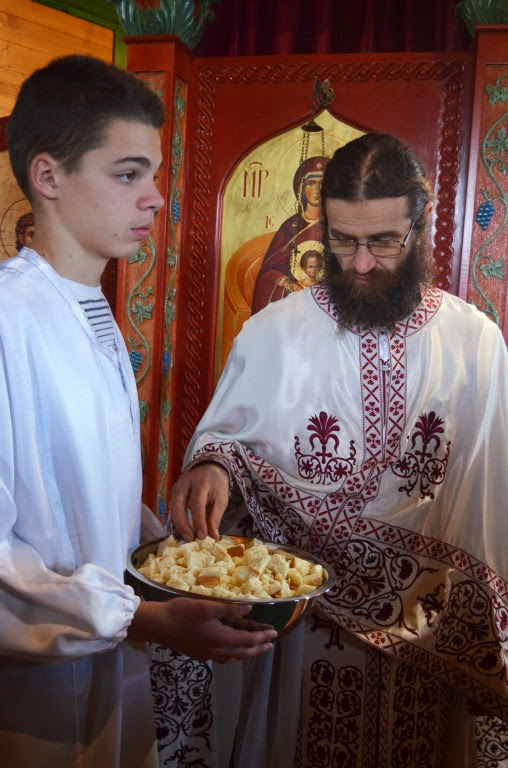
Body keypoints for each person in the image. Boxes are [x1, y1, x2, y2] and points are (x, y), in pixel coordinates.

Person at [170, 133, 508, 767]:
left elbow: (493, 503)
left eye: (383, 241)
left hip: (432, 635)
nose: (361, 264)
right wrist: (214, 466)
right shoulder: (272, 334)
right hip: (306, 633)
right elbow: (232, 441)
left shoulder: (475, 344)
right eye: (343, 241)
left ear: (420, 226)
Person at [0, 55, 276, 768]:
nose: (155, 198)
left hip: (106, 664)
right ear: (48, 176)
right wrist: (148, 619)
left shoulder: (91, 315)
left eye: (153, 174)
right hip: (30, 695)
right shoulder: (8, 318)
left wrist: (165, 548)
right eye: (127, 175)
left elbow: (75, 498)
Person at [250, 154, 328, 314]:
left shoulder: (337, 226)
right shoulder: (290, 227)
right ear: (301, 189)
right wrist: (288, 284)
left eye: (323, 183)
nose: (317, 190)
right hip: (294, 305)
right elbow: (268, 273)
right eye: (311, 183)